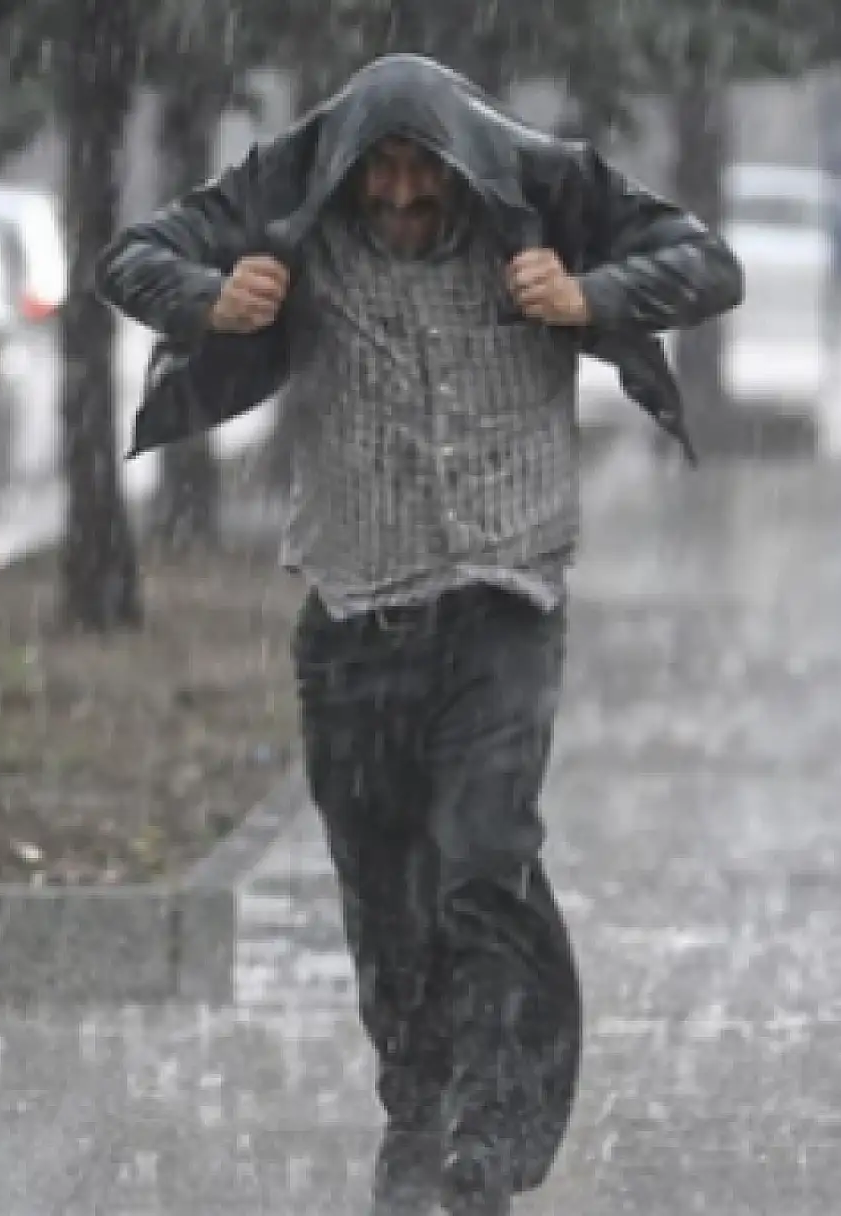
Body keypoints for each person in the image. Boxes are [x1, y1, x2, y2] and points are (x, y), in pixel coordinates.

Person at [96, 54, 742, 1216]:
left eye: (417, 172)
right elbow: (128, 258)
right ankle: (418, 1110)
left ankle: (484, 1141)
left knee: (484, 864)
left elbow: (705, 264)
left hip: (503, 603)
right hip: (351, 615)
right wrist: (211, 299)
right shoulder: (291, 183)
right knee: (386, 903)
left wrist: (588, 296)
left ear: (458, 162)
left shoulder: (540, 187)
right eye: (376, 175)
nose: (396, 195)